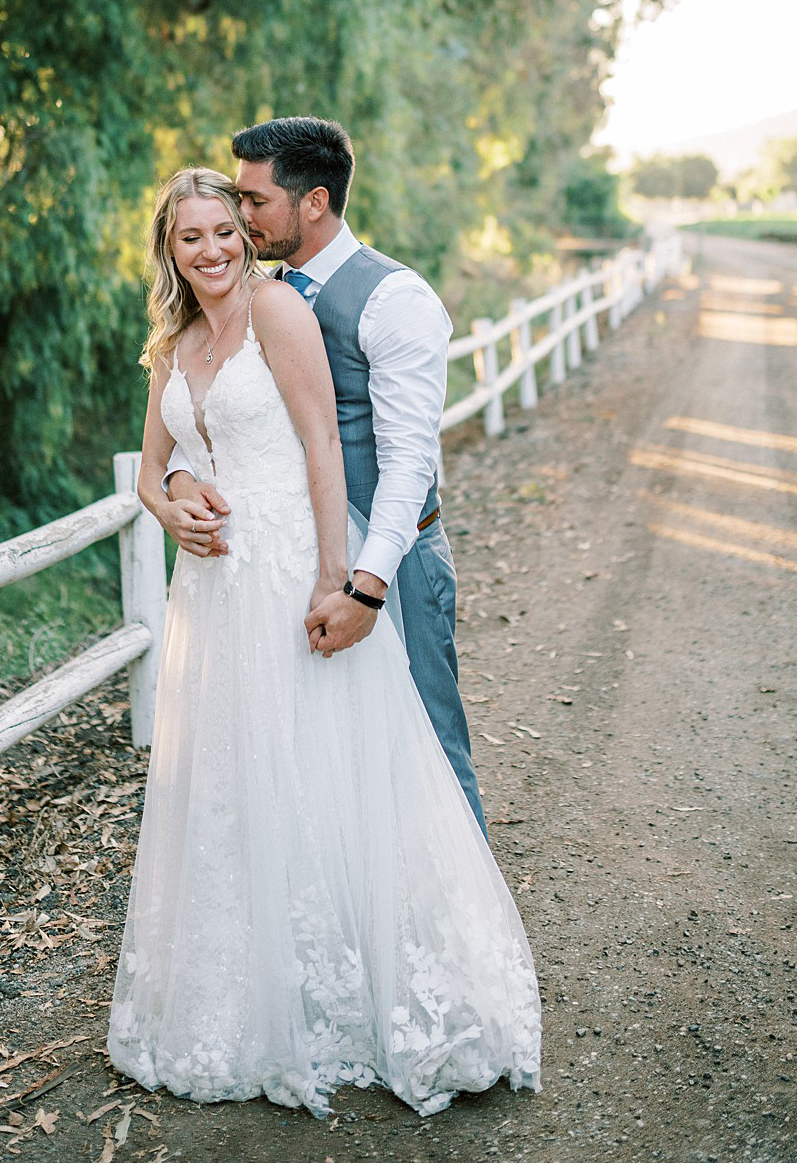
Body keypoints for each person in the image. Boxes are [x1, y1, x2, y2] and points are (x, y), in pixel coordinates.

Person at [107, 166, 540, 1119]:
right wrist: (174, 504)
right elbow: (149, 470)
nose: (213, 250)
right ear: (168, 250)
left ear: (245, 235)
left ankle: (373, 992)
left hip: (293, 567)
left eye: (226, 229)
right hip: (212, 589)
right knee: (234, 783)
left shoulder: (278, 313)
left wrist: (333, 577)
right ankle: (256, 991)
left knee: (331, 774)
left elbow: (319, 448)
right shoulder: (172, 343)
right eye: (192, 238)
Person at [165, 116, 486, 835]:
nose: (239, 217)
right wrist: (181, 481)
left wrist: (365, 589)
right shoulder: (251, 295)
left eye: (253, 202)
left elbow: (408, 464)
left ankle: (468, 930)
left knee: (427, 752)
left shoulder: (393, 300)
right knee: (330, 760)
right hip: (285, 559)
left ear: (312, 202)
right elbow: (216, 413)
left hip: (387, 558)